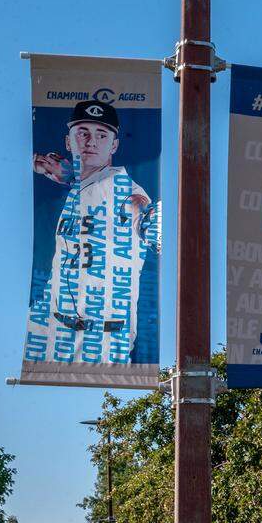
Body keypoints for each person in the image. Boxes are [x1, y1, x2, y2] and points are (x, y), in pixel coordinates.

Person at [26, 100, 159, 368]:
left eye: (101, 135)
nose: (91, 142)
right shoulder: (77, 181)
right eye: (82, 132)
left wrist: (148, 222)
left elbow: (137, 206)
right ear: (68, 141)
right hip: (50, 325)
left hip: (100, 337)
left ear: (114, 145)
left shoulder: (122, 187)